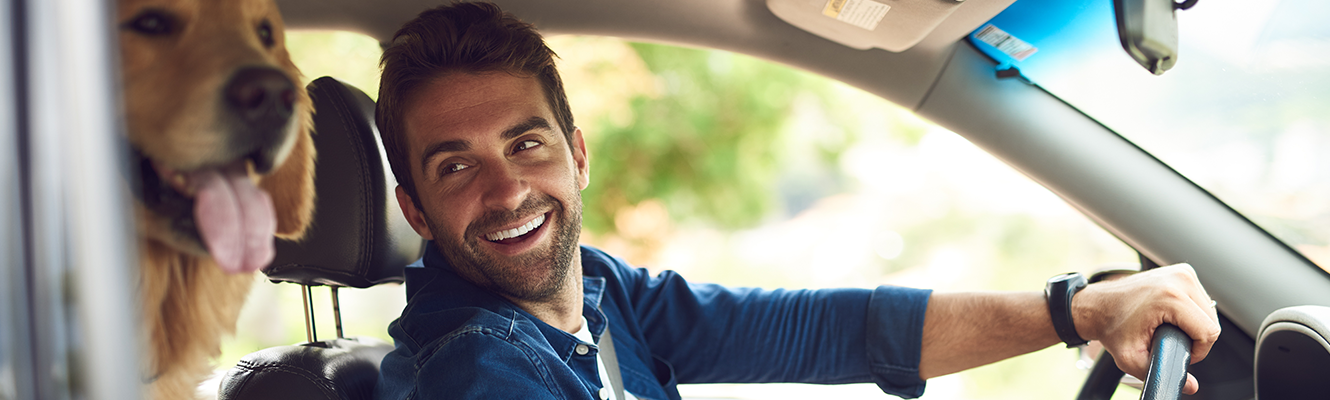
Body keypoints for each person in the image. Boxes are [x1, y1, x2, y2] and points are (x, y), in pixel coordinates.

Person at [372, 3, 1222, 399]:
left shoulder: (594, 295)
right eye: (455, 168)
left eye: (526, 144)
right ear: (416, 210)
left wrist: (1078, 308)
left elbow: (825, 329)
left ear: (577, 154)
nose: (508, 189)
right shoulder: (478, 370)